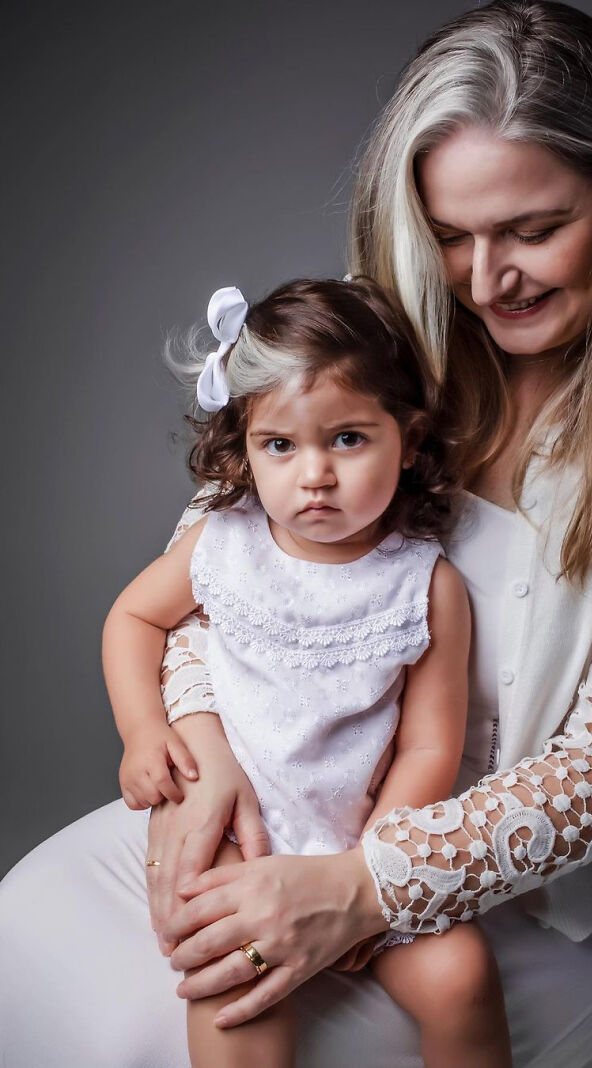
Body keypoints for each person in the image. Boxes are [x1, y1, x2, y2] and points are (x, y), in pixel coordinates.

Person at [1, 1, 592, 1065]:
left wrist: (360, 887)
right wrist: (201, 755)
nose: (483, 279)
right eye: (450, 235)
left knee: (146, 1035)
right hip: (285, 784)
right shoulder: (385, 340)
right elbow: (222, 568)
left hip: (516, 881)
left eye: (533, 228)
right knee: (26, 929)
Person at [102, 275, 511, 1068]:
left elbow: (431, 746)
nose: (313, 475)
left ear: (409, 437)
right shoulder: (225, 542)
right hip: (236, 826)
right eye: (279, 446)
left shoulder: (426, 584)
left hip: (359, 840)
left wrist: (370, 874)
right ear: (246, 444)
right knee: (230, 985)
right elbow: (132, 618)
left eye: (348, 439)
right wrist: (143, 729)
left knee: (462, 976)